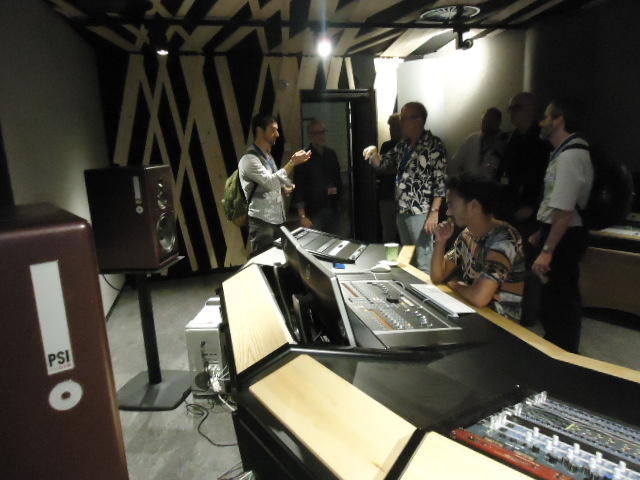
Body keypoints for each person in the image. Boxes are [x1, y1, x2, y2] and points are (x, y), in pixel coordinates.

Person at [529, 99, 593, 353]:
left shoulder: (571, 156)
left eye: (546, 117)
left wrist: (548, 250)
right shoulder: (564, 153)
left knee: (562, 299)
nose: (541, 123)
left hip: (566, 237)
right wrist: (542, 230)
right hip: (559, 231)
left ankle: (564, 352)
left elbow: (565, 210)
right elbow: (556, 206)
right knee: (553, 296)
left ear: (559, 120)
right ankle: (556, 346)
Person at [363, 102, 447, 272]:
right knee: (409, 259)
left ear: (419, 120)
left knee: (423, 260)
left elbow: (440, 182)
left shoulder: (433, 144)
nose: (401, 122)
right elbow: (382, 164)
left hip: (421, 212)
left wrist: (434, 213)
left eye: (404, 118)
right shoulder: (403, 145)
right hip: (402, 209)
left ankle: (427, 289)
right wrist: (373, 151)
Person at [430, 174, 526, 321]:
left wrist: (455, 285)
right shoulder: (468, 234)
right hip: (473, 313)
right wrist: (440, 242)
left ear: (473, 206)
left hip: (500, 324)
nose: (448, 212)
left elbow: (480, 297)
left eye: (452, 205)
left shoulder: (505, 239)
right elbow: (437, 276)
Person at [239, 113, 311, 255]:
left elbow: (272, 180)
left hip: (276, 220)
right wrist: (292, 162)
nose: (277, 134)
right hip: (261, 222)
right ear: (260, 131)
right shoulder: (249, 159)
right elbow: (270, 182)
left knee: (278, 260)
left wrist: (284, 187)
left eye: (277, 130)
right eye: (273, 130)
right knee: (264, 261)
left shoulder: (268, 157)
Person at [293, 119, 342, 234]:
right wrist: (302, 216)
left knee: (334, 241)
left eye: (323, 132)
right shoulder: (303, 157)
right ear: (310, 135)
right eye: (317, 133)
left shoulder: (331, 154)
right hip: (313, 212)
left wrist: (340, 203)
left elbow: (338, 179)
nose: (321, 136)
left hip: (332, 208)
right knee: (317, 242)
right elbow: (298, 188)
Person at [449, 107, 508, 180]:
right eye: (484, 120)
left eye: (489, 121)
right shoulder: (471, 139)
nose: (485, 123)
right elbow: (454, 164)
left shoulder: (505, 143)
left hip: (493, 185)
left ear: (498, 123)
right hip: (468, 184)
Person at [377, 113, 402, 243]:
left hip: (405, 198)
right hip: (387, 195)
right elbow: (381, 169)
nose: (391, 131)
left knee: (405, 235)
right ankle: (390, 257)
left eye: (395, 127)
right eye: (390, 127)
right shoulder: (386, 146)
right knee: (388, 233)